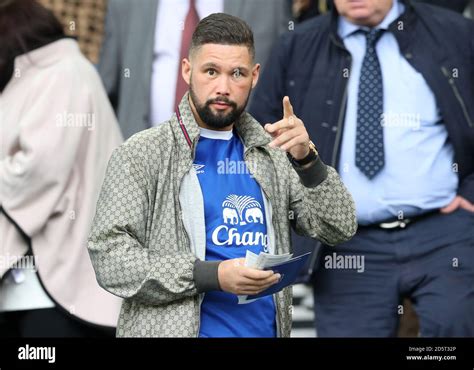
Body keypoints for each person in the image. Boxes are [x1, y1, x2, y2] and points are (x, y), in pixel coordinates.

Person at [87, 13, 357, 338]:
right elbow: (109, 257)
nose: (223, 87)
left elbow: (339, 227)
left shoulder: (273, 154)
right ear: (187, 70)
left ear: (255, 76)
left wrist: (307, 159)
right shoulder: (142, 154)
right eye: (211, 71)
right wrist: (210, 275)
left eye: (237, 74)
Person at [250, 0, 474, 336]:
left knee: (454, 329)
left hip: (443, 233)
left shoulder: (454, 33)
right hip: (346, 243)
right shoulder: (297, 45)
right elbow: (257, 138)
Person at [0, 0, 122, 337]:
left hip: (53, 289)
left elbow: (37, 169)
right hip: (42, 288)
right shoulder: (66, 71)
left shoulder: (58, 75)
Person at [98, 0, 292, 139]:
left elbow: (288, 83)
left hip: (237, 169)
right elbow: (106, 91)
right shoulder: (125, 5)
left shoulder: (270, 5)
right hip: (143, 165)